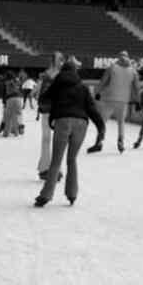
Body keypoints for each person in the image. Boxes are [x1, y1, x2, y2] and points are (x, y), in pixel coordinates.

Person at [35, 56, 99, 207]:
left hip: (63, 121)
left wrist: (51, 110)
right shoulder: (82, 87)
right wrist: (101, 129)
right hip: (81, 123)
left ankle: (45, 196)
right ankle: (72, 194)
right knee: (72, 160)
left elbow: (44, 100)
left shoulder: (57, 84)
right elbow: (92, 109)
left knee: (56, 161)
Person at [95, 53, 140, 152]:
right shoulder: (133, 71)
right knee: (121, 122)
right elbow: (136, 88)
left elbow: (103, 81)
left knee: (103, 121)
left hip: (110, 98)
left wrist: (97, 92)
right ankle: (120, 141)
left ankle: (99, 141)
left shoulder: (112, 68)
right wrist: (138, 101)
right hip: (124, 101)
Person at [35, 52, 65, 179]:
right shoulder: (63, 75)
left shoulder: (45, 75)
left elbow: (35, 92)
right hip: (58, 111)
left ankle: (44, 168)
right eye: (61, 60)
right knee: (57, 140)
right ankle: (55, 169)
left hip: (47, 110)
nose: (62, 62)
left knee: (46, 139)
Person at [1, 71, 25, 137]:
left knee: (8, 116)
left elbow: (4, 92)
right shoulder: (17, 81)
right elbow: (21, 88)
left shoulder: (7, 82)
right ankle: (19, 128)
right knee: (18, 115)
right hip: (19, 98)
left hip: (10, 98)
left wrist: (4, 102)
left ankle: (6, 133)